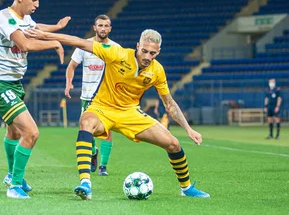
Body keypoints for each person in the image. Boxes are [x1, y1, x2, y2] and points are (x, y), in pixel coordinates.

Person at [28, 27, 210, 200]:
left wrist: (188, 129)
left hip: (131, 114)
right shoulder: (118, 53)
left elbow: (169, 104)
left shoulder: (157, 71)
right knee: (86, 122)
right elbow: (80, 42)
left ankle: (186, 188)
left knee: (173, 144)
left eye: (152, 53)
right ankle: (85, 182)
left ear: (158, 52)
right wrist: (45, 35)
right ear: (138, 46)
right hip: (102, 108)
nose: (147, 56)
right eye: (144, 51)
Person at [0, 0, 68, 199]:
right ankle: (15, 186)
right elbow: (25, 43)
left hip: (14, 84)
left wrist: (56, 27)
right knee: (31, 132)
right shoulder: (3, 18)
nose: (37, 4)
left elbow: (36, 28)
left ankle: (12, 176)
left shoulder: (25, 18)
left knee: (13, 131)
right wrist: (55, 43)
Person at [65, 14, 118, 176]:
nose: (103, 28)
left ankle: (103, 166)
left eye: (106, 25)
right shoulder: (84, 46)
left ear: (110, 28)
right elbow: (71, 66)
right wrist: (69, 83)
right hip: (87, 97)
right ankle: (93, 151)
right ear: (95, 27)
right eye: (100, 25)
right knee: (89, 130)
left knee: (108, 131)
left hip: (107, 97)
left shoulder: (116, 48)